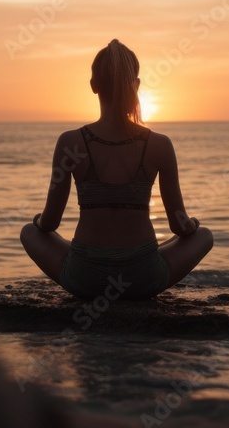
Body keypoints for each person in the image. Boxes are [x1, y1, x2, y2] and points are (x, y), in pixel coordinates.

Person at [20, 39, 213, 299]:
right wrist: (193, 227)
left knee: (28, 232)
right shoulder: (160, 145)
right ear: (136, 85)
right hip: (142, 277)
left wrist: (39, 223)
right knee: (205, 236)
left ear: (93, 85)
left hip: (85, 277)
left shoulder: (70, 142)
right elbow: (179, 227)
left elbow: (49, 223)